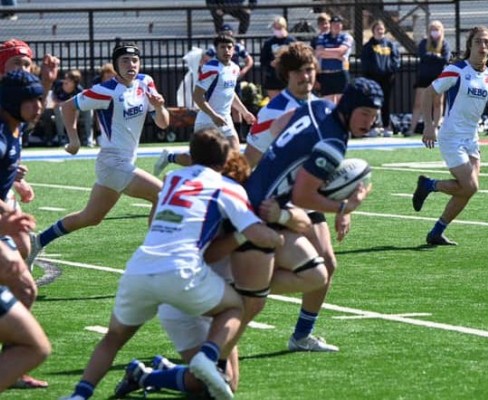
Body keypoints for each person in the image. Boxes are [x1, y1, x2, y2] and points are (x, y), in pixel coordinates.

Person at [60, 128, 283, 400]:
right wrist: (279, 233)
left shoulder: (172, 178)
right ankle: (208, 355)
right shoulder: (228, 187)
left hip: (141, 267)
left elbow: (153, 222)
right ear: (225, 158)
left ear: (191, 155)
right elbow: (258, 235)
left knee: (113, 339)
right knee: (235, 307)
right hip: (183, 272)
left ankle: (79, 395)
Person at [26, 42, 170, 269]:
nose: (131, 65)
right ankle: (152, 258)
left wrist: (160, 108)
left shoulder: (146, 82)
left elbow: (163, 124)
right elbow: (67, 106)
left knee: (90, 218)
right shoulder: (106, 90)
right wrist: (73, 140)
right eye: (124, 61)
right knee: (163, 195)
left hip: (122, 164)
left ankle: (38, 241)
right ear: (115, 65)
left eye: (134, 60)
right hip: (113, 163)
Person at [245, 42, 344, 351]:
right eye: (299, 71)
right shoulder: (273, 111)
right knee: (312, 268)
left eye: (310, 69)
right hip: (275, 201)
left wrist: (344, 205)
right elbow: (248, 160)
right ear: (286, 75)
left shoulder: (322, 107)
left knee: (328, 264)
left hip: (304, 198)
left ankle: (301, 336)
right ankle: (243, 284)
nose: (306, 76)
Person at [411, 26, 488, 246]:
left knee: (467, 190)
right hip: (451, 137)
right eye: (479, 41)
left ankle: (436, 231)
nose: (483, 46)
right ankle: (430, 186)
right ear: (470, 45)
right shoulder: (457, 70)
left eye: (487, 42)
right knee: (471, 186)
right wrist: (429, 126)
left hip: (472, 139)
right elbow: (429, 93)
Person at [0, 70, 50, 390]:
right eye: (31, 100)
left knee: (26, 288)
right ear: (11, 102)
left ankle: (12, 366)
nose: (39, 105)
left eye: (40, 98)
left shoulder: (13, 130)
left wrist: (14, 179)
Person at [153, 35, 256, 176]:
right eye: (222, 47)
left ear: (234, 49)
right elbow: (197, 96)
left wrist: (244, 112)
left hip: (225, 119)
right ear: (216, 49)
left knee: (233, 157)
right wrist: (214, 115)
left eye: (229, 47)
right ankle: (170, 156)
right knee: (202, 162)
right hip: (207, 119)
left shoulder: (235, 68)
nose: (226, 50)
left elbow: (230, 93)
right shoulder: (211, 68)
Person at [408, 20, 451, 136]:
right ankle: (412, 128)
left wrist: (434, 57)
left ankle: (436, 127)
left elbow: (445, 58)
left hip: (439, 77)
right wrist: (436, 56)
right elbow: (423, 56)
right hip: (424, 77)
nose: (435, 32)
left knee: (438, 103)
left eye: (437, 30)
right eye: (432, 30)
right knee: (419, 103)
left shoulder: (445, 44)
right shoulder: (423, 43)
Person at [360, 20, 400, 137]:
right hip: (373, 79)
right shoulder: (368, 46)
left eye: (382, 29)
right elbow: (365, 63)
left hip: (387, 79)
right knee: (373, 104)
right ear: (373, 31)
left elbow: (396, 60)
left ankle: (386, 127)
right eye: (377, 29)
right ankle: (373, 127)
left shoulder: (390, 45)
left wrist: (390, 70)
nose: (380, 31)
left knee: (386, 103)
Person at [315, 15, 353, 104]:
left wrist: (325, 52)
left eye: (339, 24)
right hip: (326, 74)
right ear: (330, 25)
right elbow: (318, 52)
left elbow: (341, 51)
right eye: (334, 24)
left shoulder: (346, 37)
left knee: (342, 102)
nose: (337, 26)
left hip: (340, 73)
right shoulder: (322, 37)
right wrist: (337, 56)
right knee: (327, 102)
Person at [52, 69, 94, 147]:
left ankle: (89, 138)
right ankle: (61, 137)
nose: (66, 80)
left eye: (69, 79)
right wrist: (61, 104)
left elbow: (81, 104)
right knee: (58, 109)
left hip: (75, 110)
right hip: (61, 108)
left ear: (75, 82)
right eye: (66, 78)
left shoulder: (78, 90)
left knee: (89, 110)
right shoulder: (58, 85)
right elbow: (53, 98)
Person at [261, 16, 296, 100]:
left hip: (288, 77)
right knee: (275, 102)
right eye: (276, 28)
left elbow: (296, 58)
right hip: (273, 77)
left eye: (280, 27)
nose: (278, 30)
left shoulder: (291, 41)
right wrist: (271, 63)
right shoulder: (269, 43)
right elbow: (263, 59)